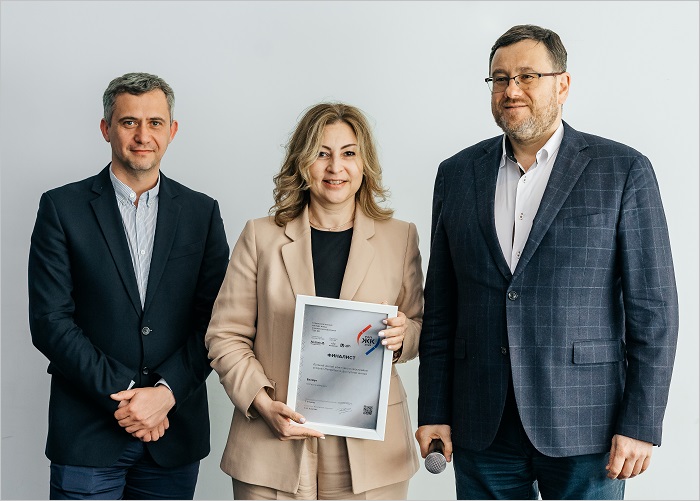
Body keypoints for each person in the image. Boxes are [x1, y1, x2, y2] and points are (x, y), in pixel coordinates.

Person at [415, 24, 679, 500]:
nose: (511, 90)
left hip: (587, 424)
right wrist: (434, 409)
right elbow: (441, 308)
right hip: (482, 422)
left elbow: (654, 310)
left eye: (527, 76)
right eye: (500, 79)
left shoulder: (622, 170)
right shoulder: (456, 173)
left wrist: (641, 422)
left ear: (563, 84)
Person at [205, 102, 423, 499]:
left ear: (364, 164)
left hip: (371, 449)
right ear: (302, 162)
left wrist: (404, 335)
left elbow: (421, 326)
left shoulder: (400, 237)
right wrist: (262, 403)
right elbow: (225, 336)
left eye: (349, 153)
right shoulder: (260, 237)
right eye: (322, 153)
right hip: (273, 437)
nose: (335, 167)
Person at [28, 72, 230, 499]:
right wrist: (131, 397)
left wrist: (166, 393)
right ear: (106, 128)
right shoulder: (61, 208)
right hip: (88, 432)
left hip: (173, 432)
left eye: (155, 122)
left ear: (172, 130)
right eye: (128, 122)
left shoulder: (202, 213)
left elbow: (218, 320)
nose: (143, 135)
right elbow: (50, 322)